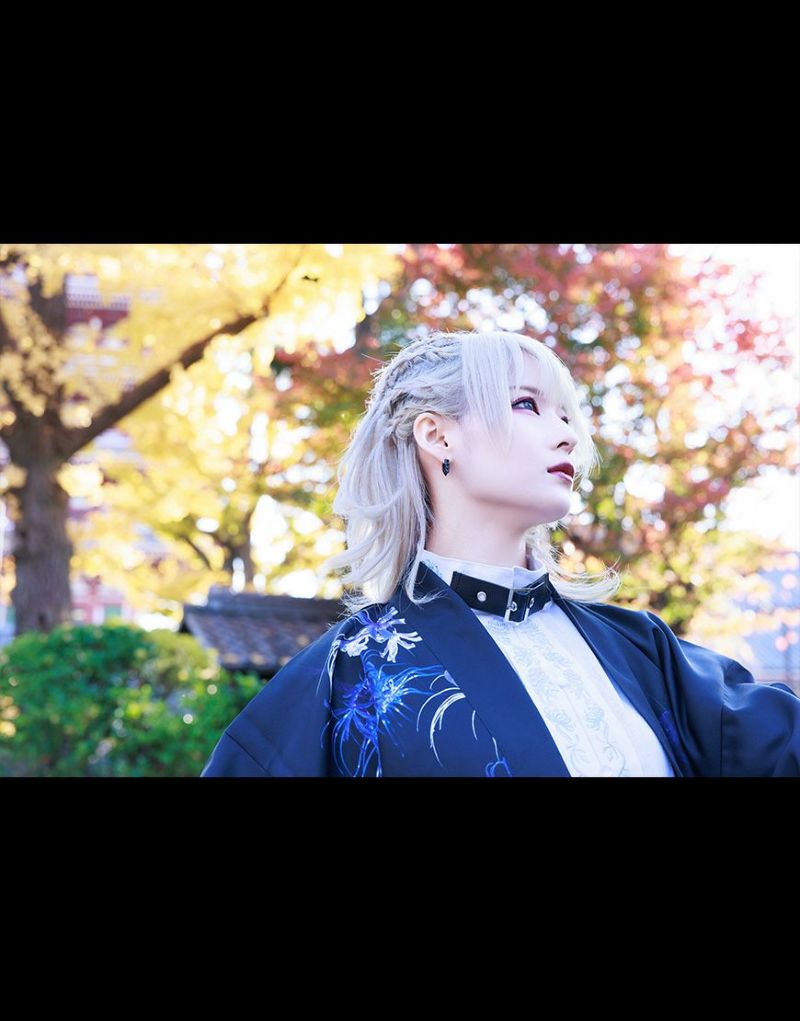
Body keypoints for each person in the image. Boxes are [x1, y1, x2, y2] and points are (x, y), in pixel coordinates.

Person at [200, 330, 800, 777]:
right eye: (526, 405)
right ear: (438, 435)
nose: (567, 434)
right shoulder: (346, 673)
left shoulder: (640, 649)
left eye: (566, 415)